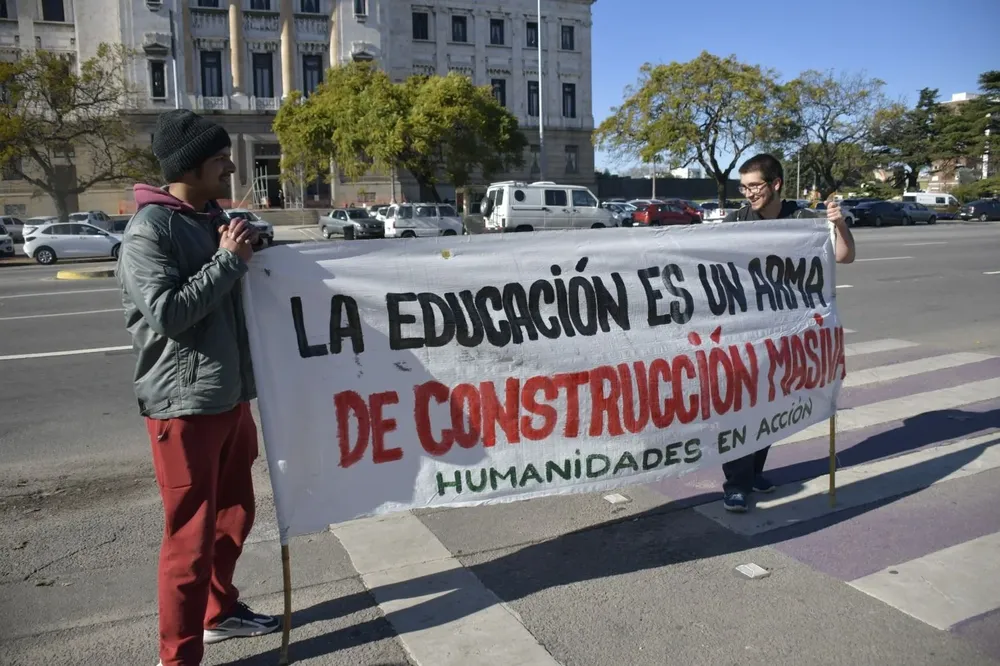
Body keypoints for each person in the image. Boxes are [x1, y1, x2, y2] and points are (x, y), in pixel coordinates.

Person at [117, 109, 279, 666]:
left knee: (235, 513)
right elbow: (166, 312)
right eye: (219, 159)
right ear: (191, 166)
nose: (231, 166)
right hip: (183, 406)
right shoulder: (148, 231)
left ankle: (219, 611)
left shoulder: (211, 216)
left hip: (229, 397)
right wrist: (227, 261)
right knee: (189, 539)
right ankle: (178, 657)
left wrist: (252, 243)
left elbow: (234, 275)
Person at [720, 153, 855, 513]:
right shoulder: (737, 221)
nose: (748, 194)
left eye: (754, 186)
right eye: (743, 187)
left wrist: (838, 224)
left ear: (776, 184)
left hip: (784, 334)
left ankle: (754, 473)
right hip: (744, 334)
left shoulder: (801, 220)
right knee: (742, 408)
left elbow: (843, 256)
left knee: (772, 403)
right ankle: (735, 482)